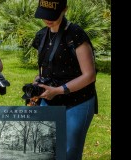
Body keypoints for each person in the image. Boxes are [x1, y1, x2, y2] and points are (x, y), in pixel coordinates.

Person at [32, 0, 98, 159]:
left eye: (53, 15)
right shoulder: (41, 34)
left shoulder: (75, 34)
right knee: (45, 151)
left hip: (77, 101)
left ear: (65, 10)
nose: (48, 19)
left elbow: (90, 75)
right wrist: (38, 81)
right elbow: (45, 68)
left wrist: (59, 90)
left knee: (69, 153)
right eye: (44, 15)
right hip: (49, 100)